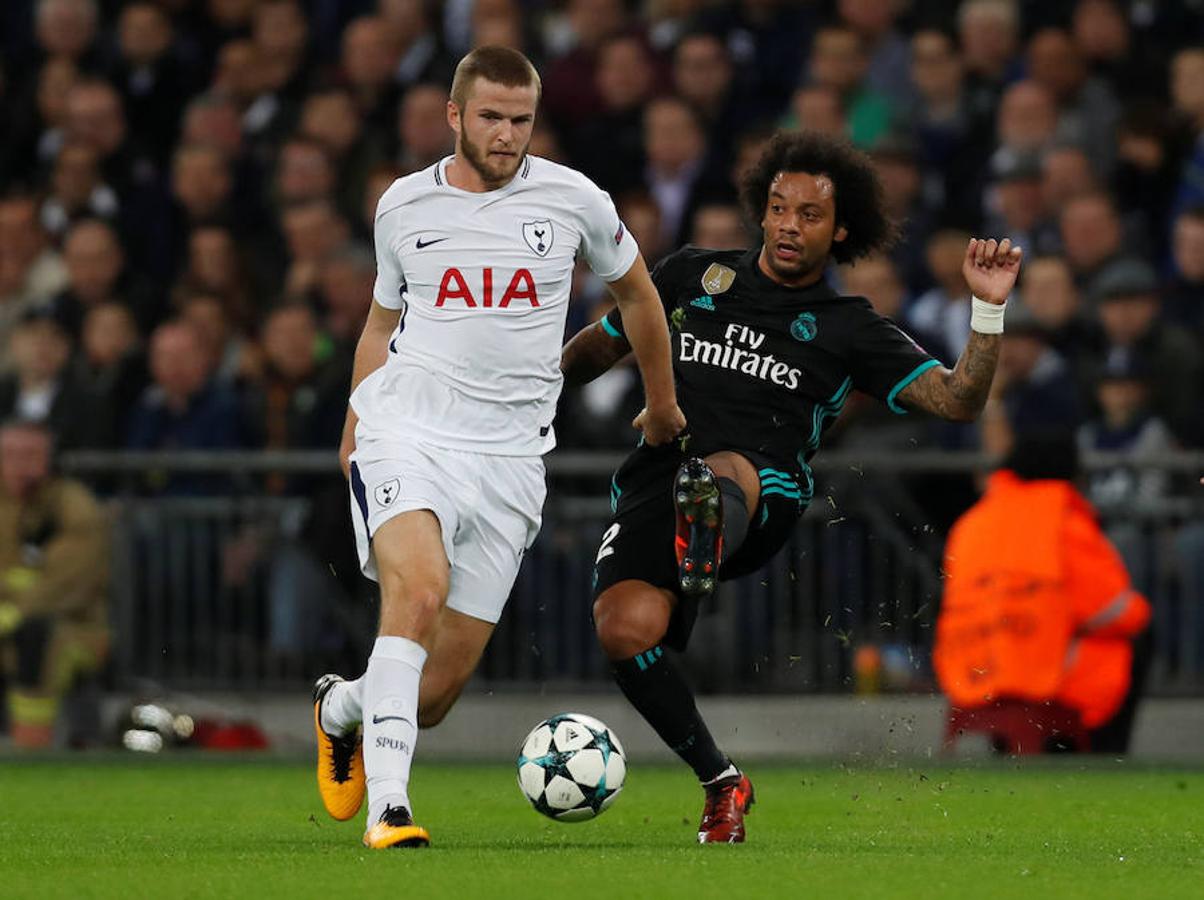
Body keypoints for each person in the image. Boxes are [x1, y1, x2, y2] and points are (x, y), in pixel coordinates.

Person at [560, 131, 1023, 843]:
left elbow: (959, 399)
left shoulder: (849, 329)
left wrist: (986, 311)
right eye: (778, 207)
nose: (787, 225)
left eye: (808, 216)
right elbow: (599, 347)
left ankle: (704, 532)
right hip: (657, 477)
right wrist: (521, 379)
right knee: (623, 631)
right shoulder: (691, 275)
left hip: (763, 490)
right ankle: (722, 783)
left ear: (840, 231)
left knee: (721, 472)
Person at [311, 46, 683, 850]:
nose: (507, 134)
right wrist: (353, 424)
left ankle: (341, 706)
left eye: (521, 119)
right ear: (454, 116)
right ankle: (391, 809)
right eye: (490, 117)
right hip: (407, 432)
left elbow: (640, 295)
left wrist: (661, 405)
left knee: (435, 693)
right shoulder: (403, 206)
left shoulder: (575, 199)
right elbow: (380, 325)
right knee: (416, 592)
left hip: (511, 460)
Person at [934, 432, 1151, 753]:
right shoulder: (1062, 521)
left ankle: (1009, 746)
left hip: (969, 669)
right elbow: (1114, 611)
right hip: (1040, 673)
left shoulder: (971, 523)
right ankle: (1101, 752)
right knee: (1138, 636)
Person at [0, 420, 109, 748]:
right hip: (9, 618)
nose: (20, 465)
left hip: (75, 628)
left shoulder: (75, 508)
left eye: (31, 455)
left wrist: (10, 610)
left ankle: (31, 752)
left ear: (51, 460)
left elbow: (66, 586)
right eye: (10, 455)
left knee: (37, 635)